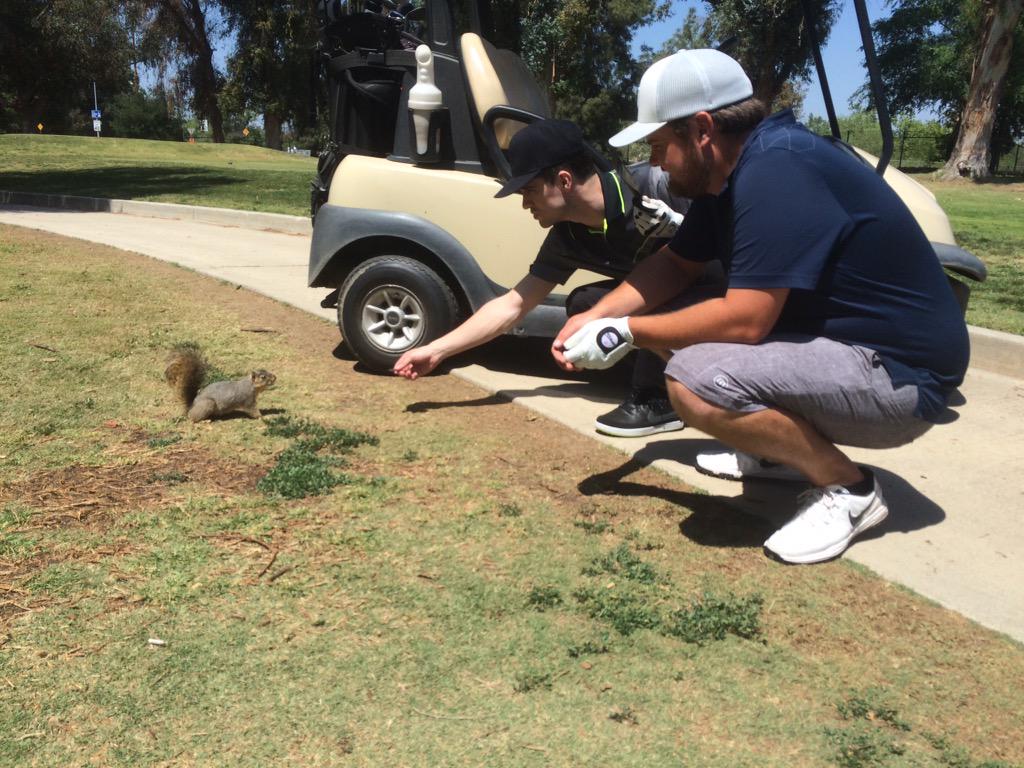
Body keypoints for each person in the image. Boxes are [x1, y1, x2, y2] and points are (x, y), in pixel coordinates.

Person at [552, 49, 969, 564]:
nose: (655, 162)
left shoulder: (778, 168)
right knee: (678, 312)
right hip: (851, 352)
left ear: (701, 129)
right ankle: (775, 454)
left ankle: (851, 491)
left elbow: (748, 321)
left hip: (902, 379)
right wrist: (599, 315)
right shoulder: (729, 176)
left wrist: (628, 333)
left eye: (660, 145)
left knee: (692, 378)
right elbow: (676, 265)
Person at [393, 118, 693, 438]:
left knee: (643, 296)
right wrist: (437, 350)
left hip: (721, 298)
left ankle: (659, 398)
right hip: (670, 309)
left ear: (564, 180)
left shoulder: (656, 186)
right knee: (585, 304)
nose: (525, 204)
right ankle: (673, 382)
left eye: (530, 190)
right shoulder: (569, 237)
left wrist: (682, 226)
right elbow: (512, 306)